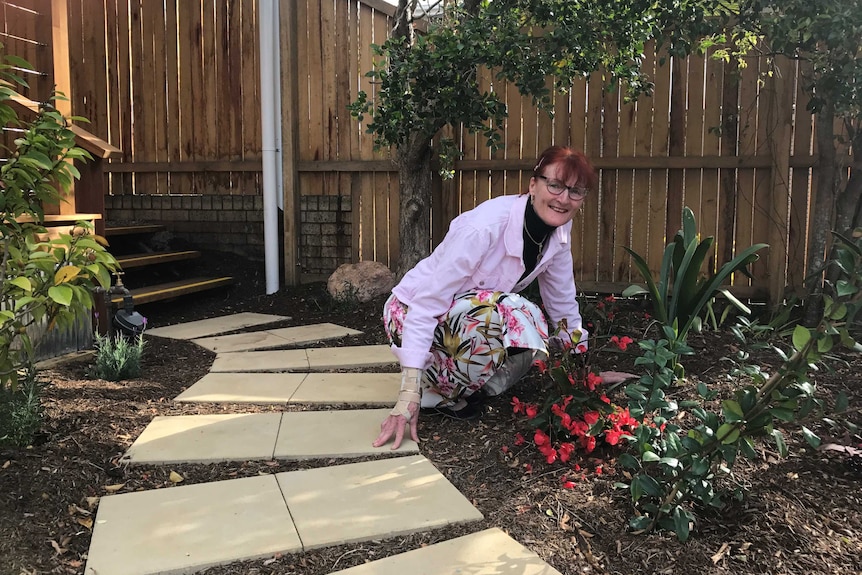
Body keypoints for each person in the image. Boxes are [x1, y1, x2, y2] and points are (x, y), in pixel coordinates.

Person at [373, 145, 597, 450]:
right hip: (410, 313)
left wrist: (583, 376)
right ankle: (430, 390)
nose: (563, 199)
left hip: (460, 317)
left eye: (576, 191)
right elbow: (427, 304)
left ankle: (443, 386)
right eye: (555, 185)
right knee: (511, 313)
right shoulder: (484, 227)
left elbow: (562, 302)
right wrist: (406, 395)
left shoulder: (558, 232)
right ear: (534, 184)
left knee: (531, 325)